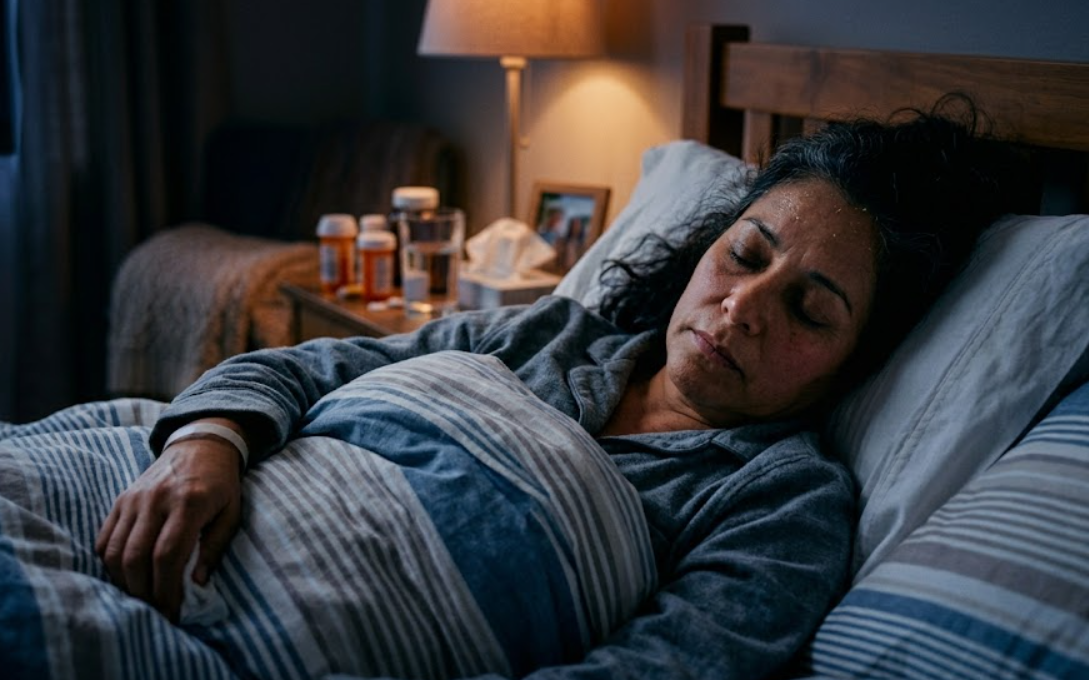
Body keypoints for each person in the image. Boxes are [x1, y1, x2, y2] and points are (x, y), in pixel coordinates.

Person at [96, 97, 1027, 679]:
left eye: (808, 311)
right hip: (158, 523)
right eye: (743, 255)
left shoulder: (780, 503)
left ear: (853, 363)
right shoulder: (552, 330)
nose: (742, 307)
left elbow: (667, 666)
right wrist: (203, 445)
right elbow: (305, 367)